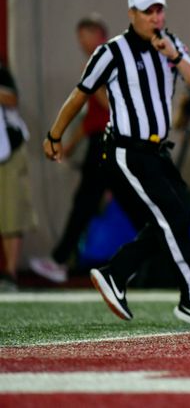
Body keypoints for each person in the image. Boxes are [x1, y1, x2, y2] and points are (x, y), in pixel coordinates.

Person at [43, 0, 190, 323]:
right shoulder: (112, 52)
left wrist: (174, 55)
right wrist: (55, 135)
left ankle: (116, 272)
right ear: (132, 14)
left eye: (159, 10)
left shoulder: (170, 45)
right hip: (127, 150)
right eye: (148, 12)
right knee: (171, 216)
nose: (156, 18)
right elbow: (81, 93)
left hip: (158, 152)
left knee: (176, 217)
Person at [30, 15, 111, 283]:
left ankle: (60, 259)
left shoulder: (106, 60)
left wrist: (92, 79)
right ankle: (62, 258)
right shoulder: (98, 63)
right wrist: (69, 145)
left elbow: (111, 106)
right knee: (90, 202)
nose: (81, 42)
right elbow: (89, 117)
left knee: (87, 201)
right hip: (102, 139)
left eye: (84, 36)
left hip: (110, 141)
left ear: (98, 34)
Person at [0, 61, 35, 291]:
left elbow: (13, 100)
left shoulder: (1, 73)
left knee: (10, 211)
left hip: (8, 151)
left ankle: (11, 272)